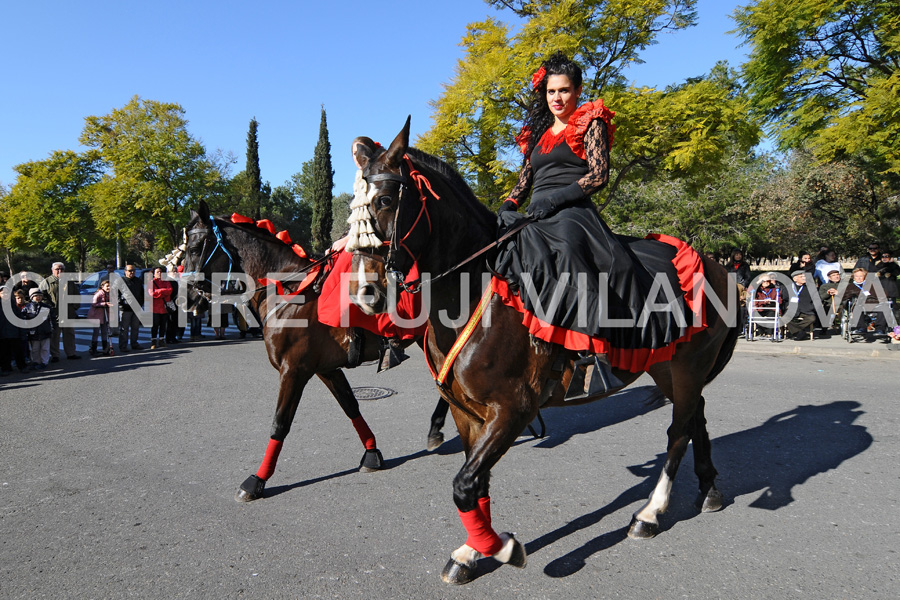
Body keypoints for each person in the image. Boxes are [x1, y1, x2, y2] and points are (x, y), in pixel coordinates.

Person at [494, 51, 690, 372]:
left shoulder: (589, 121)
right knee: (499, 249)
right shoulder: (536, 134)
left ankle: (591, 352)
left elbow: (599, 174)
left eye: (564, 90)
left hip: (572, 211)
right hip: (537, 213)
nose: (557, 97)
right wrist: (506, 207)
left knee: (568, 250)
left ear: (577, 91)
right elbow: (523, 182)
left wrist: (557, 200)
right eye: (551, 91)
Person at [38, 261, 80, 361]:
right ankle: (55, 355)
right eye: (57, 269)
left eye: (62, 269)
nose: (59, 271)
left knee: (69, 334)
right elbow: (41, 296)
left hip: (68, 313)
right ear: (52, 270)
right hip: (54, 313)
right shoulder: (47, 282)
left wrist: (74, 307)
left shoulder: (69, 282)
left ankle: (71, 353)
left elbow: (76, 295)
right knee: (55, 335)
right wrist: (49, 308)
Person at [841, 268, 889, 335]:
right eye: (856, 276)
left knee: (885, 307)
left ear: (865, 277)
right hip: (860, 304)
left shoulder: (872, 285)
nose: (858, 278)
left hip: (875, 303)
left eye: (861, 276)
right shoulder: (850, 286)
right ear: (853, 277)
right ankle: (861, 328)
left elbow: (884, 294)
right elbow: (844, 296)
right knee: (857, 307)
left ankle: (880, 329)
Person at [0, 287, 29, 375]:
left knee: (18, 351)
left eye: (7, 293)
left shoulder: (14, 305)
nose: (5, 295)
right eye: (3, 293)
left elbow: (20, 319)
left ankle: (22, 366)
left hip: (14, 333)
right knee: (4, 352)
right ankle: (6, 368)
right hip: (2, 334)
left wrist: (22, 332)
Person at [23, 288, 54, 369]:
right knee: (35, 349)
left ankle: (44, 362)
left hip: (45, 331)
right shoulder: (27, 308)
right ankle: (36, 361)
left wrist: (52, 328)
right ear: (31, 297)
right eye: (36, 295)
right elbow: (24, 319)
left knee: (45, 348)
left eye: (40, 295)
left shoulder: (47, 307)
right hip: (33, 331)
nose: (38, 297)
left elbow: (52, 318)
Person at [117, 264, 145, 352]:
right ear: (125, 271)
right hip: (125, 308)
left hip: (136, 308)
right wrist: (120, 304)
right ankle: (123, 346)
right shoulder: (120, 281)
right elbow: (115, 294)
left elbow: (142, 293)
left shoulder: (138, 281)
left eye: (133, 270)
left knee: (135, 327)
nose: (132, 272)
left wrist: (141, 303)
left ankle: (134, 343)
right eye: (130, 271)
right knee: (124, 328)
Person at [785, 270, 817, 341]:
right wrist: (787, 306)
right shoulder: (788, 287)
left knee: (812, 318)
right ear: (795, 279)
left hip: (806, 310)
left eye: (804, 276)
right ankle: (800, 333)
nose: (804, 278)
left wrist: (811, 307)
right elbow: (784, 299)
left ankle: (796, 331)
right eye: (801, 276)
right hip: (793, 310)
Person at [149, 267, 173, 349]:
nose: (159, 273)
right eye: (157, 272)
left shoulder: (166, 282)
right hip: (155, 308)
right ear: (154, 273)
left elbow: (170, 290)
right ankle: (153, 341)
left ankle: (162, 340)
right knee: (155, 325)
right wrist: (163, 291)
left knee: (163, 325)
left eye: (161, 272)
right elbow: (152, 293)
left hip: (164, 308)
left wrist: (159, 292)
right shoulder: (151, 282)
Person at [87, 279, 113, 356]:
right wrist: (104, 304)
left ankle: (105, 347)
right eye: (107, 286)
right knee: (96, 332)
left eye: (110, 286)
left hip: (104, 315)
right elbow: (94, 304)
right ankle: (93, 348)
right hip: (96, 315)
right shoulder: (99, 293)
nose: (109, 288)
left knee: (104, 331)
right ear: (102, 286)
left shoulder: (108, 294)